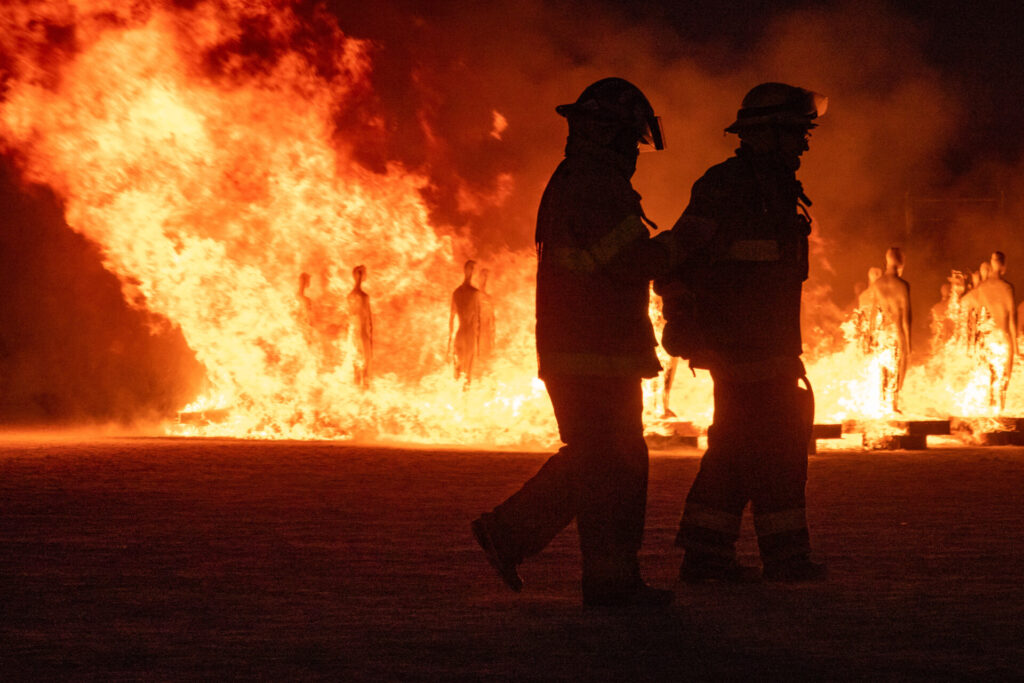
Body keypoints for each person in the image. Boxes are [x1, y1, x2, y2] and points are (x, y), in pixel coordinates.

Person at [471, 77, 672, 607]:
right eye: (630, 140)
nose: (634, 152)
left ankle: (607, 580)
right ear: (608, 135)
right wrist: (685, 245)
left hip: (592, 351)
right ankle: (517, 535)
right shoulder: (595, 186)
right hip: (594, 353)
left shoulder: (579, 180)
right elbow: (628, 262)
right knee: (607, 462)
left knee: (609, 463)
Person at [659, 82, 827, 582]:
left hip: (770, 346)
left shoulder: (777, 190)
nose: (803, 143)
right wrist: (689, 323)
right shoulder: (725, 186)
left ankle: (712, 555)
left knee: (747, 448)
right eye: (795, 132)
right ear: (766, 133)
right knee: (767, 448)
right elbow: (677, 256)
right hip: (738, 350)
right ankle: (777, 557)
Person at [972, 251, 1017, 411]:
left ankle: (991, 408)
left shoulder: (982, 288)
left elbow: (978, 316)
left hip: (989, 337)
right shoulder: (1007, 288)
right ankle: (1000, 409)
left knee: (992, 375)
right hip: (1003, 336)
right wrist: (1016, 348)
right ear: (1004, 266)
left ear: (991, 264)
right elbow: (1012, 320)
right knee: (1004, 376)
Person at [868, 247, 912, 412]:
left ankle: (881, 402)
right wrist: (909, 342)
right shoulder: (902, 285)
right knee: (897, 366)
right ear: (901, 262)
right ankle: (893, 404)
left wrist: (871, 335)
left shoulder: (877, 284)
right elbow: (906, 316)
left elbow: (874, 312)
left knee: (883, 367)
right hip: (896, 331)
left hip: (882, 332)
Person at [448, 260, 481, 383]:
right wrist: (478, 343)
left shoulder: (456, 293)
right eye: (471, 269)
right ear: (468, 271)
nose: (471, 272)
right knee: (467, 372)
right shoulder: (475, 293)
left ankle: (457, 389)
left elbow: (451, 319)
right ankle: (464, 390)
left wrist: (449, 343)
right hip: (469, 335)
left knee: (458, 369)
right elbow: (477, 320)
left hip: (460, 334)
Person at [347, 265, 373, 389]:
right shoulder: (364, 297)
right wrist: (370, 338)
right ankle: (364, 394)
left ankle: (355, 394)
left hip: (352, 336)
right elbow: (369, 321)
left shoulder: (349, 296)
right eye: (365, 273)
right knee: (366, 367)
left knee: (356, 368)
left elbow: (349, 318)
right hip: (363, 334)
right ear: (361, 275)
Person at [477, 267, 496, 374]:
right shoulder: (474, 296)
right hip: (475, 332)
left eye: (486, 277)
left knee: (485, 357)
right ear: (479, 278)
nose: (484, 279)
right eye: (482, 277)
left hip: (486, 332)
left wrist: (492, 338)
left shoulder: (489, 298)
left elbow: (492, 319)